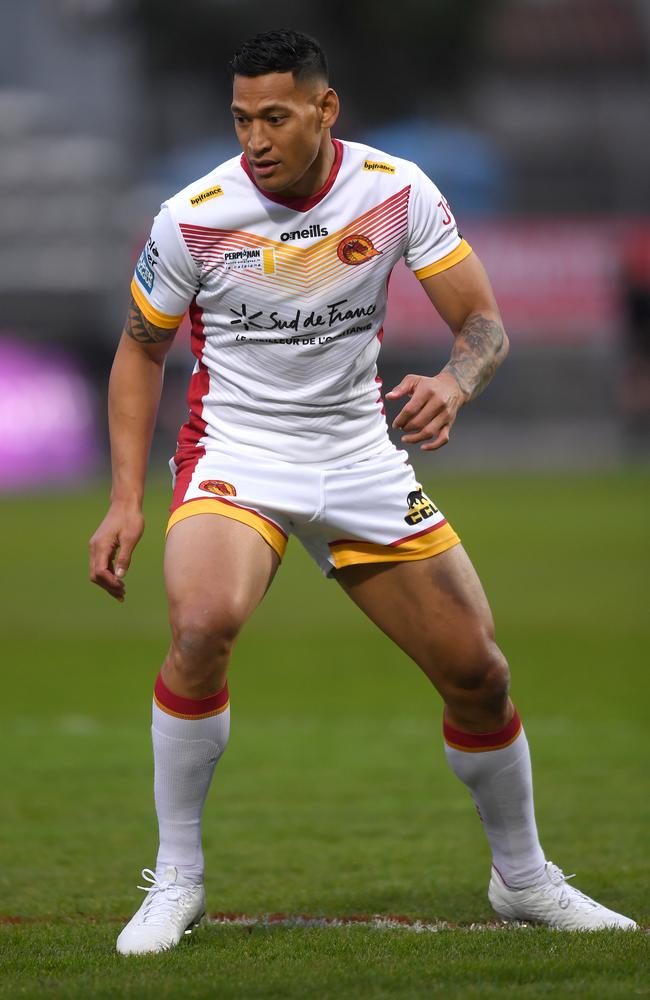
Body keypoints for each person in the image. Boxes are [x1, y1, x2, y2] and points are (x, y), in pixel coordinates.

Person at [89, 29, 637, 955]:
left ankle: (525, 879)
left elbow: (485, 327)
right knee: (200, 626)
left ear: (324, 108)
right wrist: (124, 501)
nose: (254, 138)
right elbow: (140, 350)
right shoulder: (193, 213)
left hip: (359, 456)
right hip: (239, 450)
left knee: (480, 672)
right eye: (240, 118)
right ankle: (177, 877)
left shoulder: (395, 188)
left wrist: (454, 384)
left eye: (274, 116)